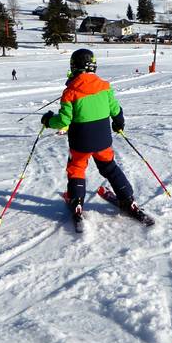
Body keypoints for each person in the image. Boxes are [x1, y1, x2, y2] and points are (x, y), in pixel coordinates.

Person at [42, 49, 142, 223]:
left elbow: (64, 120)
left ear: (74, 67)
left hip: (80, 142)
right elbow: (116, 110)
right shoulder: (105, 87)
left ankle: (77, 203)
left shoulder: (70, 92)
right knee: (110, 168)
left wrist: (48, 121)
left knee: (77, 168)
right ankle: (128, 200)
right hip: (103, 141)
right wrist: (119, 123)